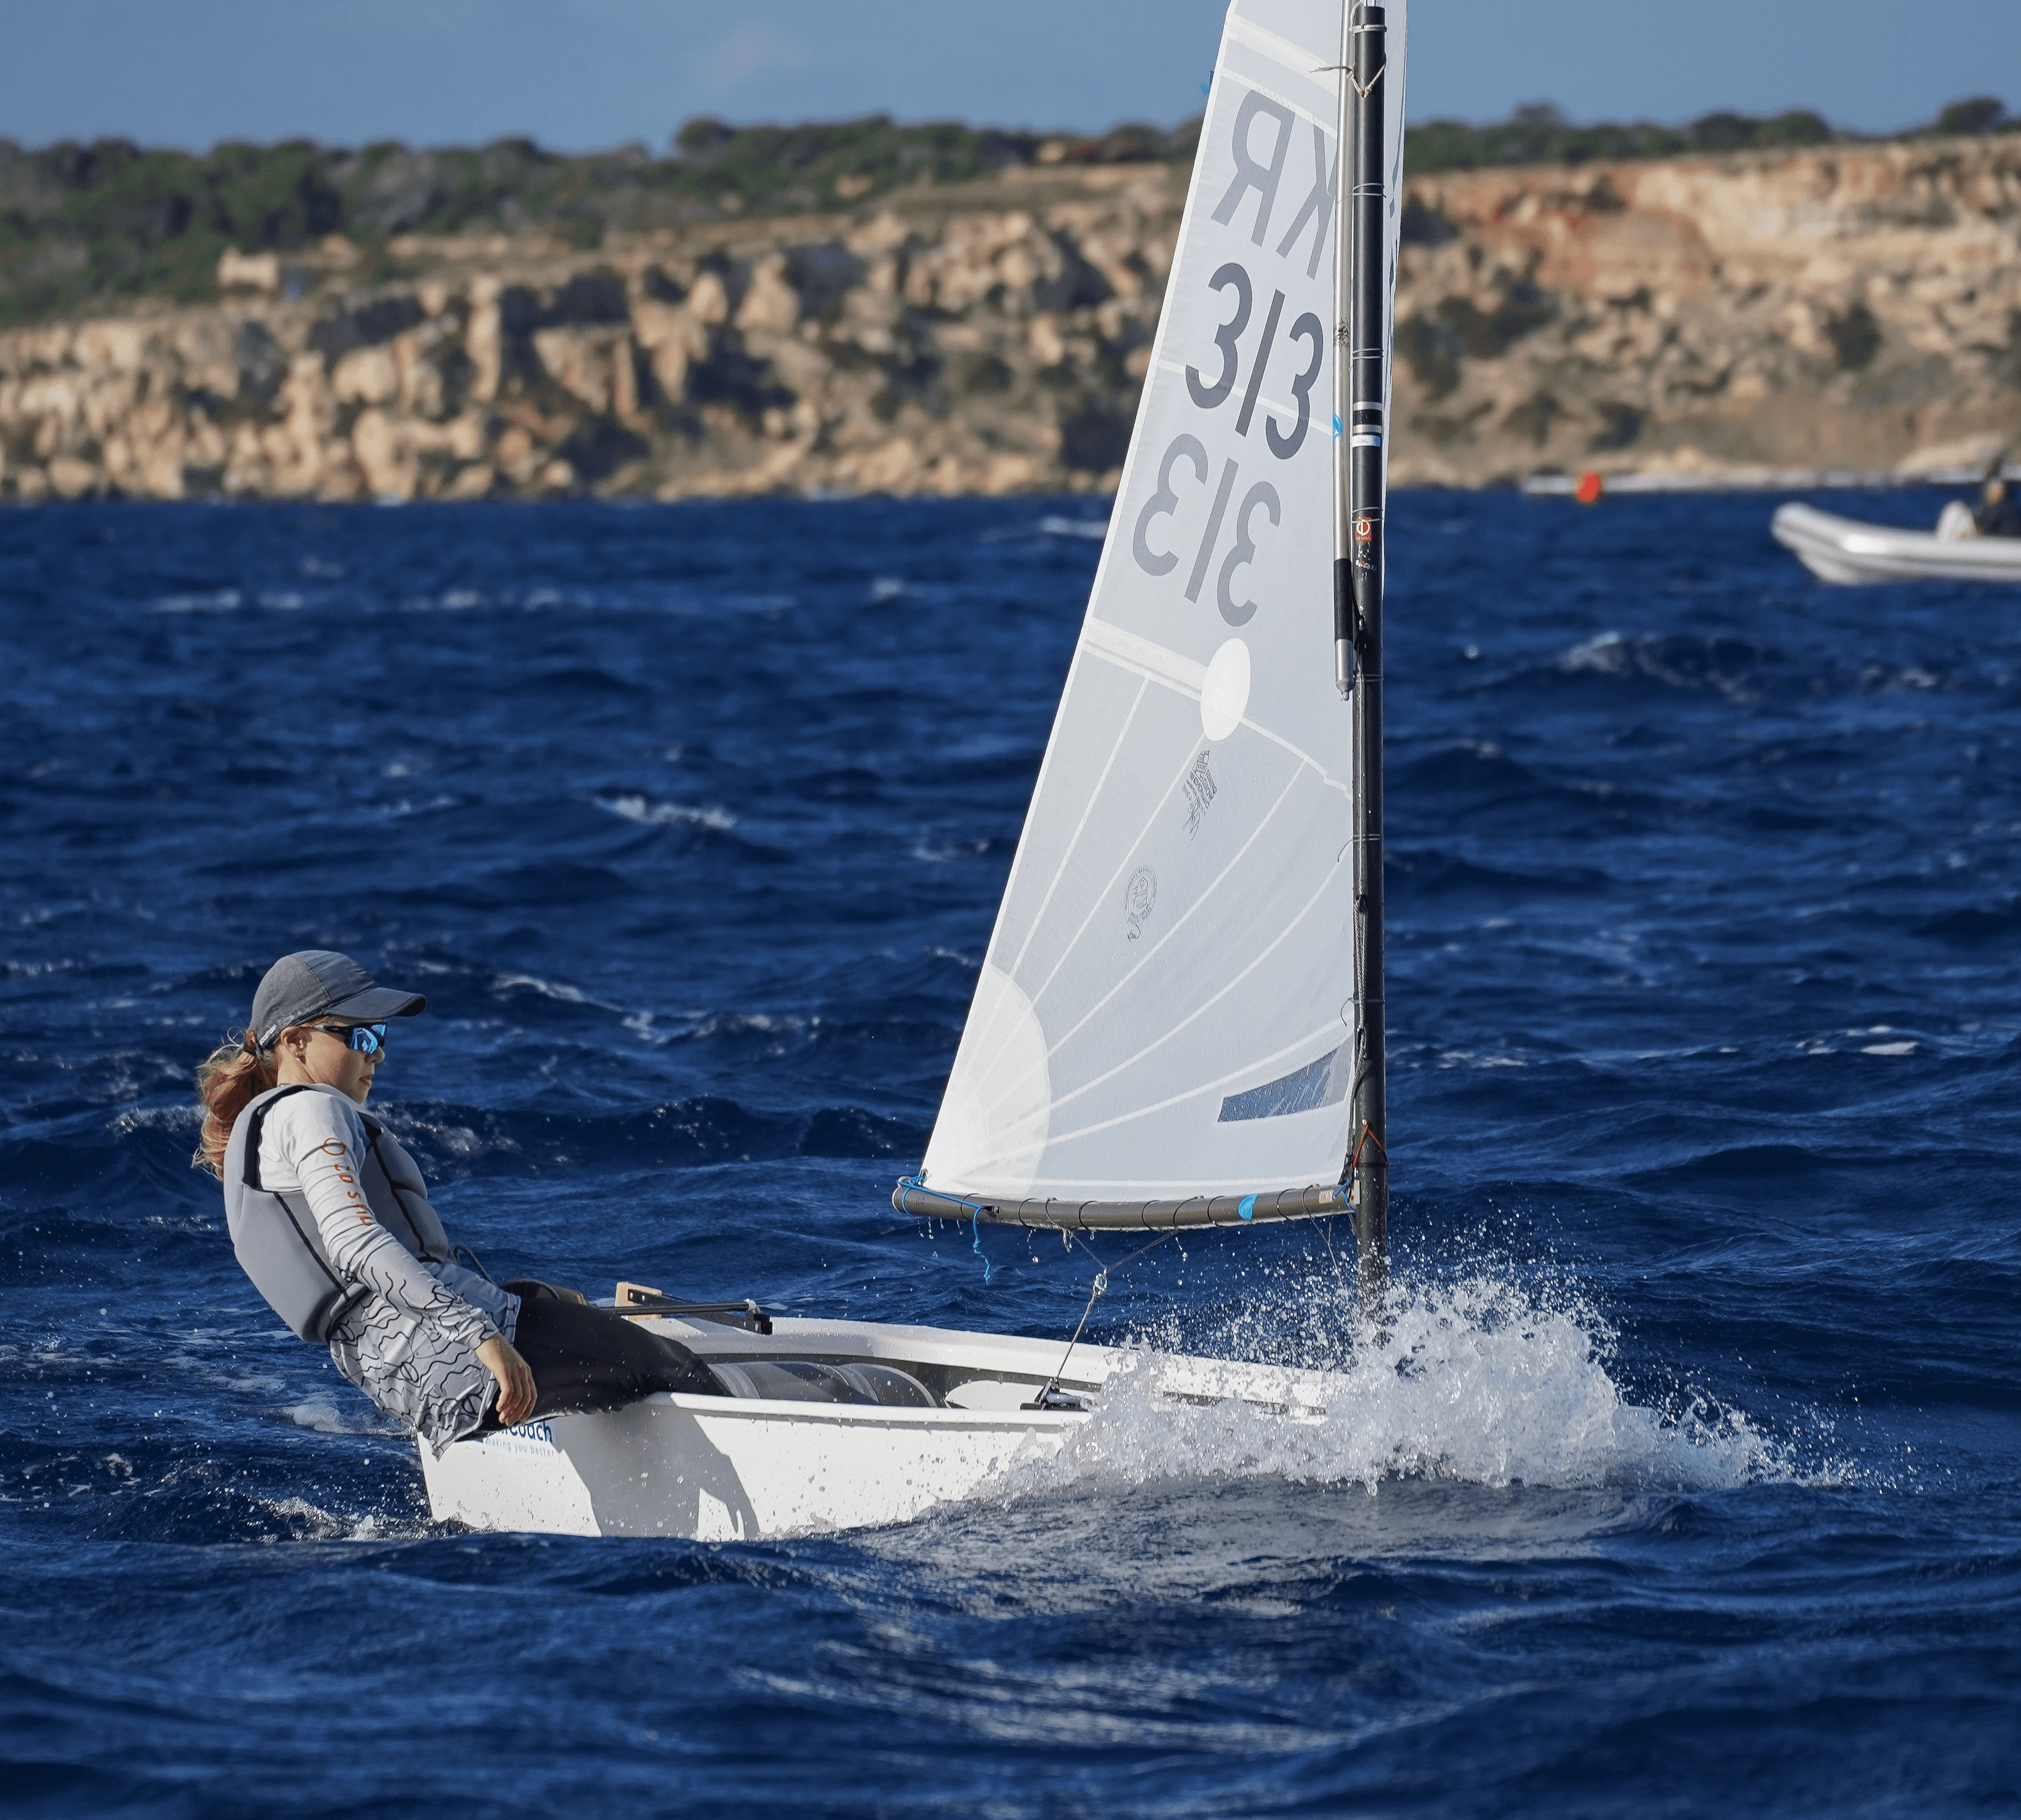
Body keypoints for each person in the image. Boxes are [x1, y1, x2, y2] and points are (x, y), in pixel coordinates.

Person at [194, 949, 728, 1453]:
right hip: (451, 1345)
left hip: (402, 1375)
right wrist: (479, 1334)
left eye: (380, 1033)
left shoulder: (255, 1139)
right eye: (359, 1035)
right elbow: (353, 1242)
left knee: (554, 1305)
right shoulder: (309, 1110)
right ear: (296, 1041)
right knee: (677, 1368)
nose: (378, 1051)